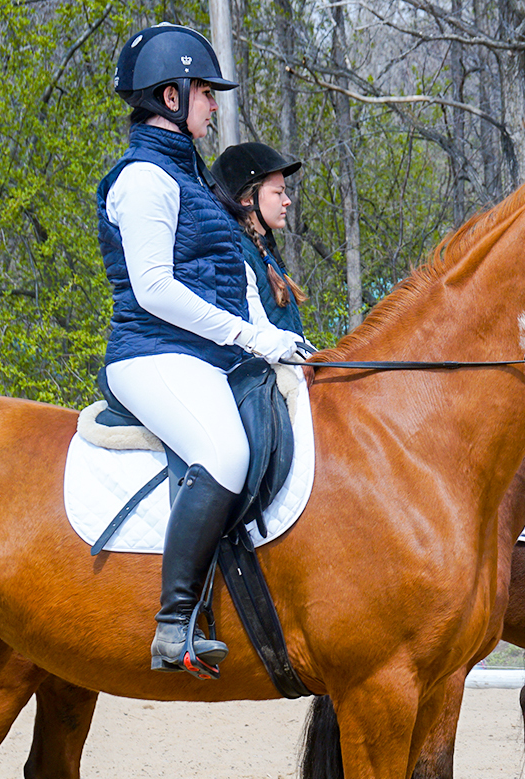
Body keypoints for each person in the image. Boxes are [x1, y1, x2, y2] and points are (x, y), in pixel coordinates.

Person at [99, 24, 306, 678]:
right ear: (170, 95)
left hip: (202, 357)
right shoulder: (143, 180)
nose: (214, 106)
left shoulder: (190, 184)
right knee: (223, 452)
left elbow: (231, 281)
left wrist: (277, 347)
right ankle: (173, 620)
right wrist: (250, 335)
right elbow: (155, 289)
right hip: (149, 353)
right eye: (205, 94)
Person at [213, 142, 309, 337]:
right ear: (248, 199)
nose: (287, 200)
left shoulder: (262, 252)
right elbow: (260, 335)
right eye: (278, 192)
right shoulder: (237, 253)